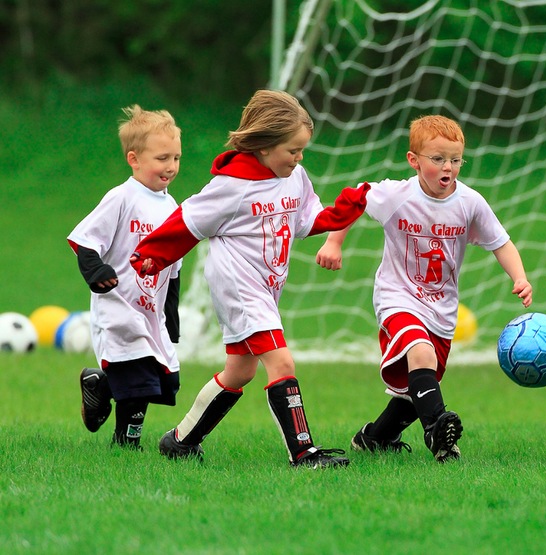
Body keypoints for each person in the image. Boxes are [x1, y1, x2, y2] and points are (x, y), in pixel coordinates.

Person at [129, 89, 370, 468]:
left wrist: (343, 211)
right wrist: (152, 255)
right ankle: (304, 453)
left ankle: (180, 440)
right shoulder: (232, 186)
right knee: (282, 362)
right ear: (263, 146)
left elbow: (307, 221)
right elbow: (187, 221)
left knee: (239, 371)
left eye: (302, 150)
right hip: (239, 288)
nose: (299, 158)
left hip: (266, 287)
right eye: (292, 150)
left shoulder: (296, 177)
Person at [316, 115, 533, 462]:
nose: (448, 167)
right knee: (420, 353)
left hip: (442, 309)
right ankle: (439, 437)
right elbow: (354, 198)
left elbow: (501, 243)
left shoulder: (470, 202)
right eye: (438, 159)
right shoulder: (397, 195)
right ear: (413, 161)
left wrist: (519, 277)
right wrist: (333, 241)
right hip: (397, 297)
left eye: (455, 159)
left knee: (413, 394)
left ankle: (373, 438)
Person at [67, 105, 184, 449]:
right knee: (139, 380)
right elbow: (85, 240)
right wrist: (97, 272)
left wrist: (171, 312)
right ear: (134, 159)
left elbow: (173, 265)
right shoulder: (121, 197)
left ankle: (100, 387)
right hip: (118, 307)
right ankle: (126, 443)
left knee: (162, 381)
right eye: (162, 158)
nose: (171, 166)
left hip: (151, 312)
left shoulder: (172, 207)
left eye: (176, 158)